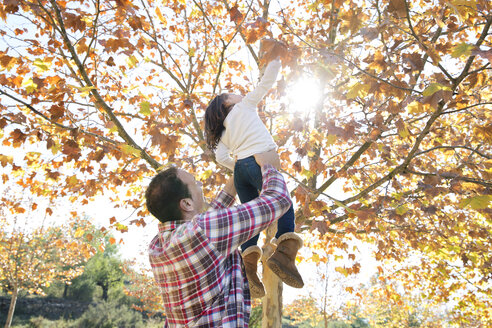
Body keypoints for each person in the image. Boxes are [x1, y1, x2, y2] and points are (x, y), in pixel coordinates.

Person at [203, 42, 304, 299]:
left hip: (241, 173)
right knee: (283, 203)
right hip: (261, 164)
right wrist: (276, 58)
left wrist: (239, 164)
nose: (237, 94)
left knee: (253, 219)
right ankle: (284, 255)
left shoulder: (224, 132)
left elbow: (220, 156)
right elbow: (265, 83)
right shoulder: (245, 106)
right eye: (231, 94)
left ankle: (249, 267)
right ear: (227, 104)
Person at [146, 151, 291, 327]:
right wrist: (269, 167)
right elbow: (279, 199)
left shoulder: (158, 246)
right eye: (194, 182)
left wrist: (239, 170)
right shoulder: (203, 232)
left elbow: (212, 220)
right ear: (187, 204)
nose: (199, 183)